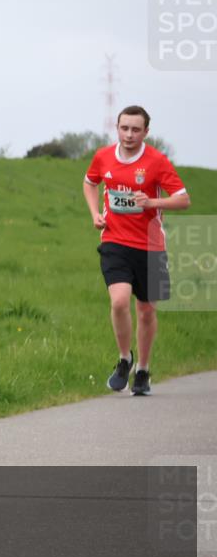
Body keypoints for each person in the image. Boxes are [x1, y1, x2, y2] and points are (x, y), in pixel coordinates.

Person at [82, 105, 190, 396]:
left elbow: (183, 200)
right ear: (117, 128)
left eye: (135, 129)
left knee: (145, 310)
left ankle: (142, 369)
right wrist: (95, 214)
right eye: (124, 128)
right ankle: (124, 359)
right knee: (118, 302)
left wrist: (152, 203)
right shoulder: (103, 156)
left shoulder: (157, 161)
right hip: (114, 241)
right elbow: (90, 182)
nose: (129, 135)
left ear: (146, 132)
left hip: (150, 245)